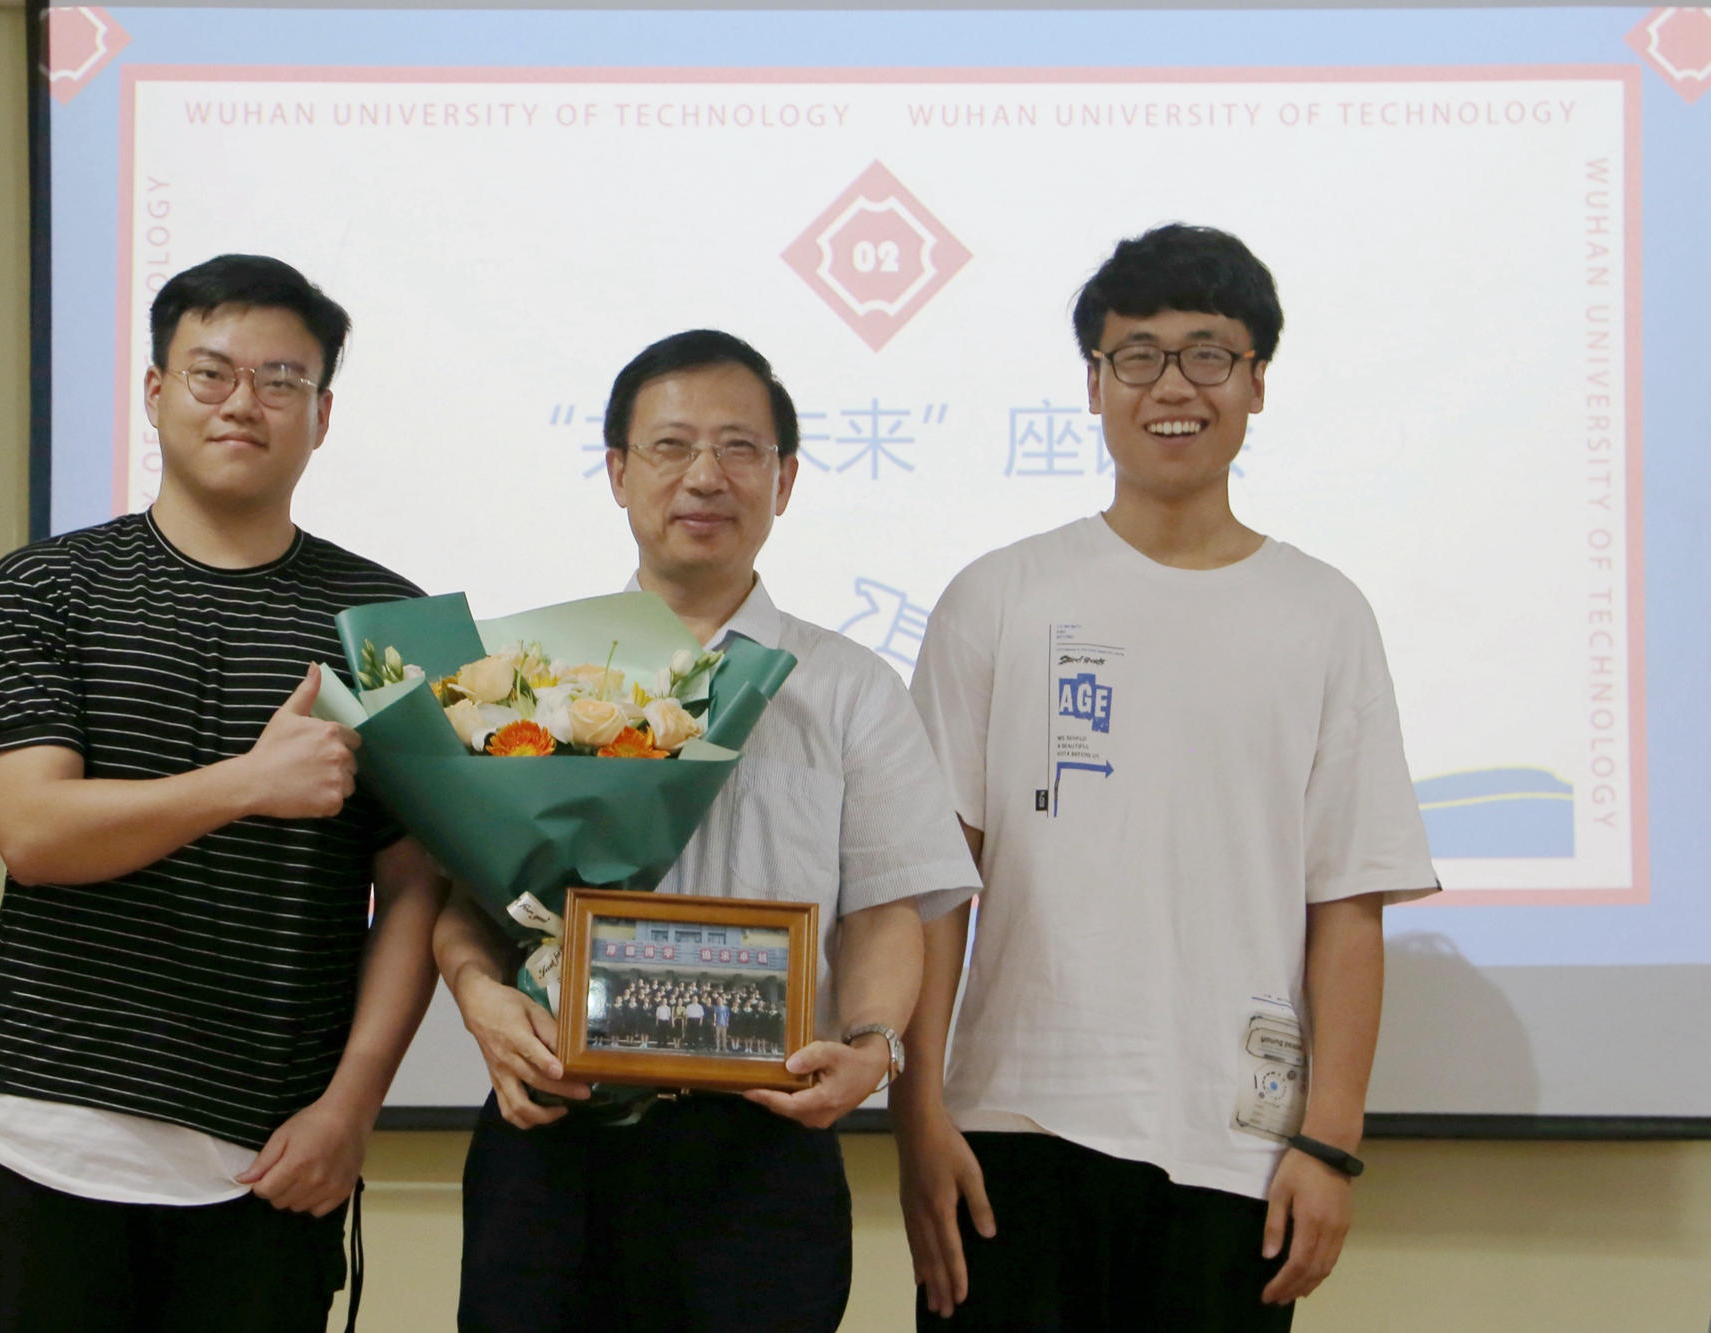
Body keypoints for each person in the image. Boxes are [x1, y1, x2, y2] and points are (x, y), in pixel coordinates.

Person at [895, 224, 1439, 1332]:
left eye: (1208, 354)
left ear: (1255, 382)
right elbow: (934, 886)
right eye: (1137, 355)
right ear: (1093, 385)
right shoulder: (998, 596)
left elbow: (1347, 899)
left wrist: (1330, 1140)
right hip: (1010, 1130)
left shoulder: (1323, 614)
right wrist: (917, 1119)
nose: (1172, 386)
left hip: (1236, 1152)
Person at [435, 329, 982, 1333]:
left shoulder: (848, 688)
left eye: (738, 448)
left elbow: (884, 909)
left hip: (760, 1157)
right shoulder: (524, 675)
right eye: (671, 446)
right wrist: (477, 994)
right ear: (616, 471)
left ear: (784, 478)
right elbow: (468, 897)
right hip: (553, 1139)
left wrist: (872, 1044)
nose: (704, 476)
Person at [0, 254, 446, 1332]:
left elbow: (416, 890)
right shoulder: (41, 587)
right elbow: (34, 832)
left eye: (281, 379)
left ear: (322, 414)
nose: (242, 403)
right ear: (155, 391)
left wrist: (352, 1107)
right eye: (211, 372)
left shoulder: (390, 623)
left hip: (272, 1163)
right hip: (45, 1141)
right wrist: (249, 784)